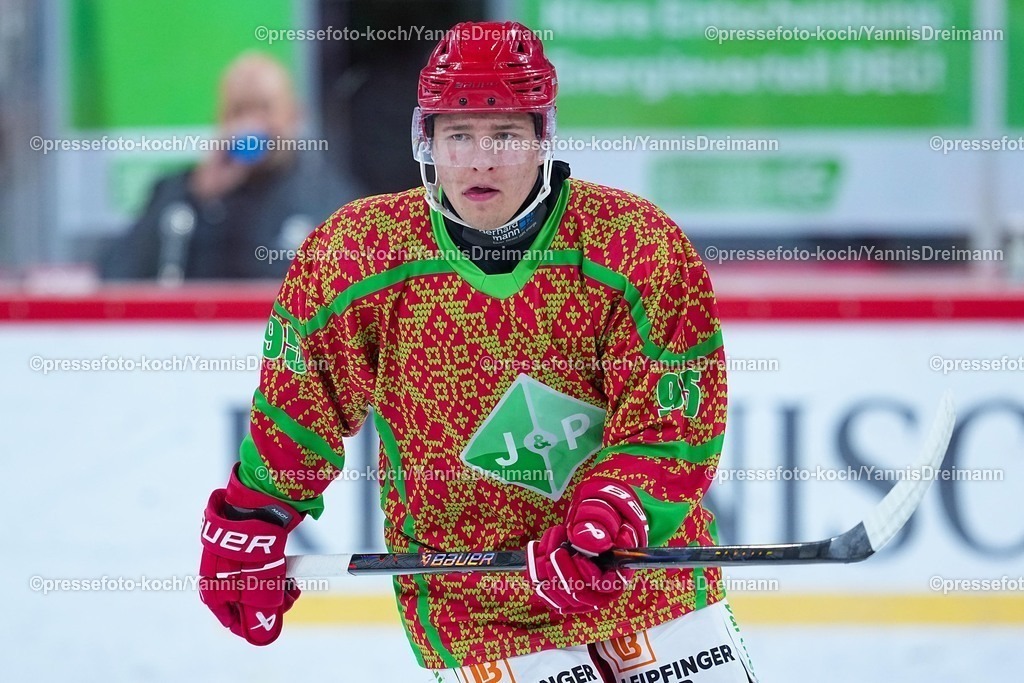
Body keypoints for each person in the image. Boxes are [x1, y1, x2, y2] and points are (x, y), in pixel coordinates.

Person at [198, 21, 757, 683]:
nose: (481, 160)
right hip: (475, 604)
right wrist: (254, 515)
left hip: (641, 575)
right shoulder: (359, 256)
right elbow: (300, 406)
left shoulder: (634, 245)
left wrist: (616, 513)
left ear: (542, 139)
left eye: (505, 136)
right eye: (458, 135)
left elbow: (676, 420)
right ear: (426, 141)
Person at [102, 52, 362, 281]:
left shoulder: (328, 199)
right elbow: (115, 274)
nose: (251, 123)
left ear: (294, 116)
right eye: (238, 111)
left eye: (264, 108)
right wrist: (196, 194)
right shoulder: (180, 191)